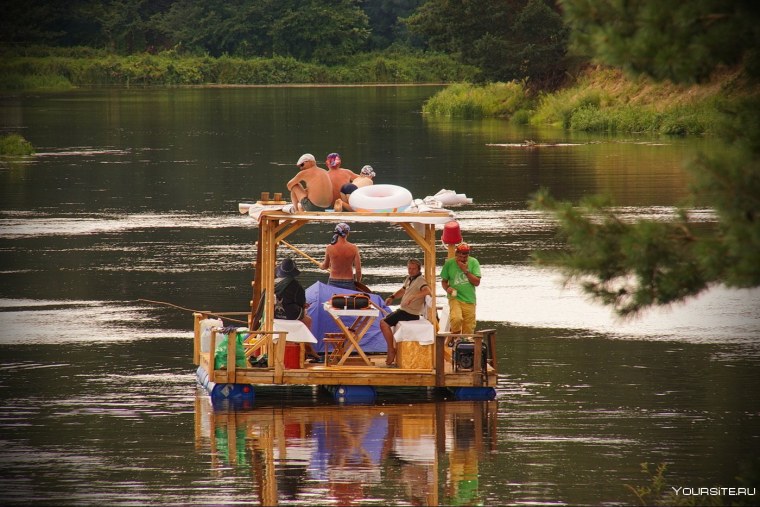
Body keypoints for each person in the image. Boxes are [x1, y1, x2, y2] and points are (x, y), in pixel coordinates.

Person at [379, 259, 432, 366]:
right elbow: (403, 290)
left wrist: (414, 296)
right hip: (404, 310)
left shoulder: (420, 280)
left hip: (411, 313)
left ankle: (391, 350)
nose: (411, 271)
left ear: (418, 269)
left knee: (383, 323)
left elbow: (427, 291)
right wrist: (392, 297)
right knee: (385, 321)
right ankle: (392, 348)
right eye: (409, 268)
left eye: (413, 269)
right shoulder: (409, 278)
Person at [274, 257, 320, 361]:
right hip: (290, 315)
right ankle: (306, 347)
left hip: (273, 314)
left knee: (303, 314)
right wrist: (304, 306)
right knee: (308, 320)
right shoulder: (296, 285)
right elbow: (300, 303)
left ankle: (301, 346)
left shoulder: (272, 283)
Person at [440, 242, 481, 335]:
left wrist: (465, 271)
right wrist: (447, 288)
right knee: (456, 319)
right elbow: (443, 281)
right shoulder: (449, 263)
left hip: (469, 299)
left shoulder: (474, 262)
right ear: (456, 254)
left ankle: (465, 344)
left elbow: (477, 282)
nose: (462, 259)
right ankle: (456, 339)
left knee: (469, 327)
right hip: (455, 297)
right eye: (460, 257)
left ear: (468, 255)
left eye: (465, 257)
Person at [319, 222, 361, 290]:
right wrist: (358, 283)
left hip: (333, 282)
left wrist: (321, 266)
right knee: (349, 300)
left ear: (336, 233)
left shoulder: (329, 247)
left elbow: (325, 266)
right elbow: (358, 270)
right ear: (348, 233)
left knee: (332, 300)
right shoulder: (354, 248)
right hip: (349, 282)